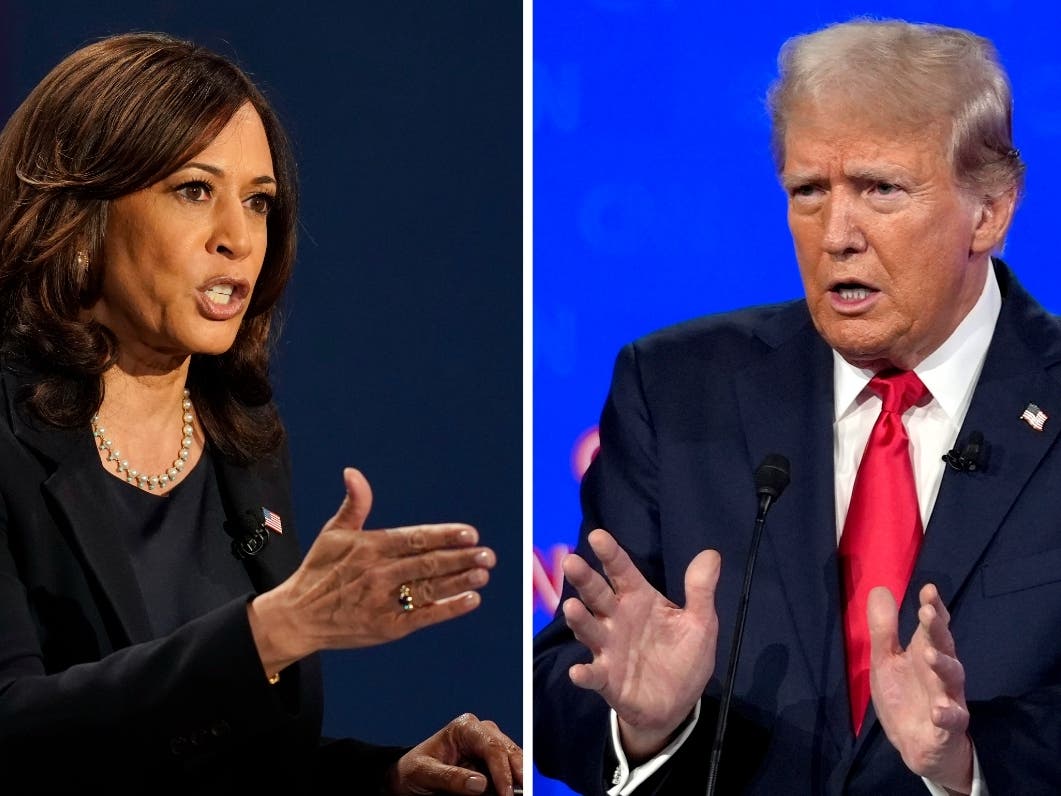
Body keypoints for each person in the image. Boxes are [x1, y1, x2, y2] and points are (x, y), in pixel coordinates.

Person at [533, 17, 1060, 796]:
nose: (835, 235)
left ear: (988, 210)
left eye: (880, 188)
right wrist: (642, 725)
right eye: (807, 191)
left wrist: (970, 768)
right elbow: (564, 682)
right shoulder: (674, 386)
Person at [0, 32, 522, 795]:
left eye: (258, 202)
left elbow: (229, 753)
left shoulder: (240, 441)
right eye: (193, 190)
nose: (238, 239)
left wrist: (386, 778)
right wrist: (271, 633)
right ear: (82, 218)